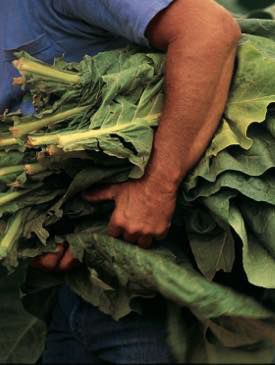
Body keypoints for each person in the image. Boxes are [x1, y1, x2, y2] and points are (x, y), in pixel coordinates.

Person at [0, 0, 241, 363]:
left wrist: (157, 185)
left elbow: (209, 30)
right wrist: (33, 230)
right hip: (70, 288)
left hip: (154, 275)